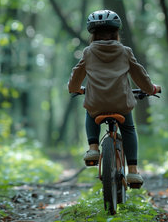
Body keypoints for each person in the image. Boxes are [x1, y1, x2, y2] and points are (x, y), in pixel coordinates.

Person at [68, 9, 161, 187]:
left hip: (96, 103)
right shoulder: (125, 51)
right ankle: (133, 172)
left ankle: (93, 149)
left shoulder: (88, 52)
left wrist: (75, 89)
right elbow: (139, 74)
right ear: (116, 33)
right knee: (128, 128)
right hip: (121, 103)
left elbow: (76, 75)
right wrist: (151, 89)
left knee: (90, 111)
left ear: (92, 35)